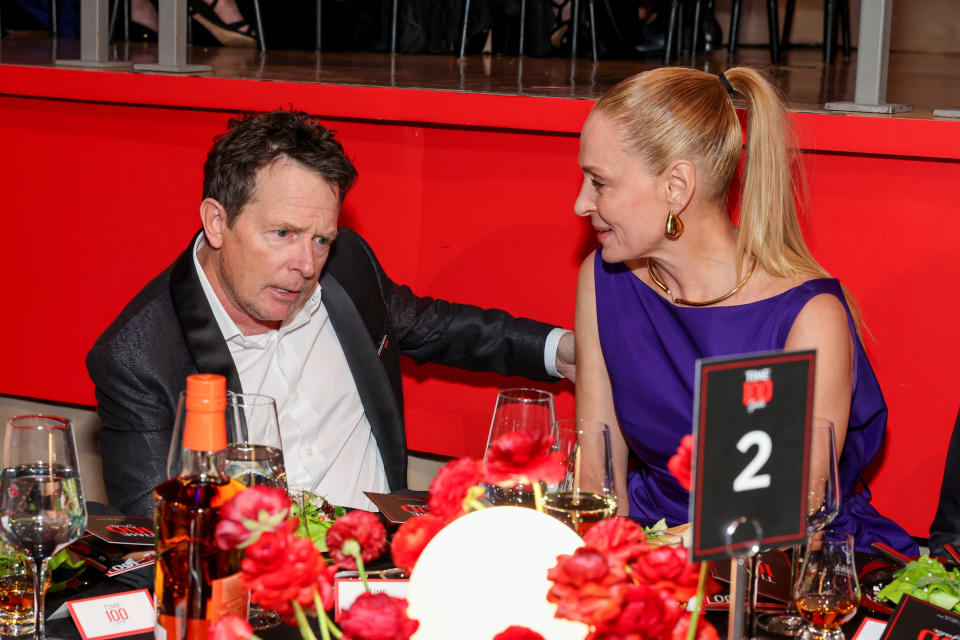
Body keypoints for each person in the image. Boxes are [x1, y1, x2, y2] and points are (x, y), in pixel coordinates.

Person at [87, 109, 574, 517]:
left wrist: (562, 350)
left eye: (321, 238)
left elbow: (437, 326)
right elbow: (159, 530)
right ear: (217, 221)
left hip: (387, 562)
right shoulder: (140, 356)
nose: (305, 265)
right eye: (283, 233)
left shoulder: (346, 266)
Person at [573, 66, 917, 554]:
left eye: (599, 182)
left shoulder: (807, 317)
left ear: (677, 186)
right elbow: (596, 477)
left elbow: (786, 521)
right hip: (643, 541)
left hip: (781, 567)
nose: (580, 203)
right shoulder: (604, 279)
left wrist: (654, 559)